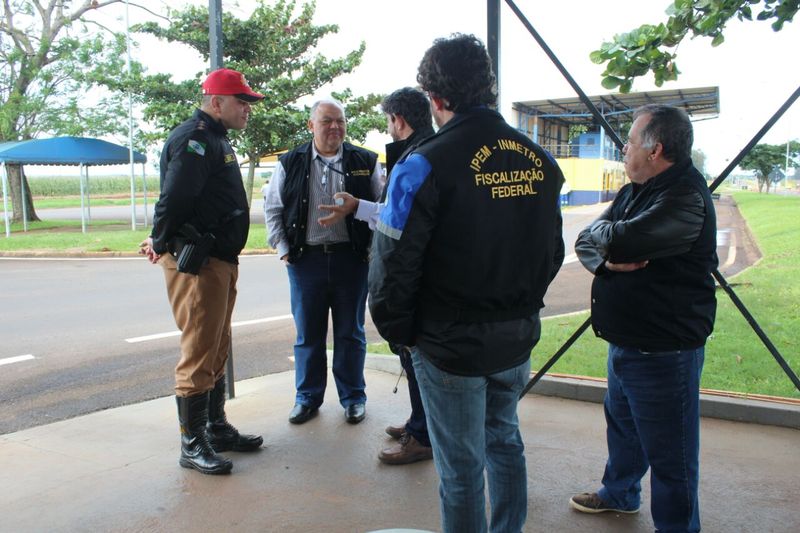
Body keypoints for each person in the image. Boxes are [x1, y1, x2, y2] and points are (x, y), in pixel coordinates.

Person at [369, 34, 565, 532]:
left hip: (449, 343)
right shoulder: (539, 160)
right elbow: (551, 253)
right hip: (515, 336)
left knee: (460, 469)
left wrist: (401, 333)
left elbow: (393, 261)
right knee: (505, 443)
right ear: (489, 86)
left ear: (435, 99)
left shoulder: (421, 163)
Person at [571, 104, 717, 532]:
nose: (624, 149)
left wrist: (605, 245)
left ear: (655, 150)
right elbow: (587, 240)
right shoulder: (639, 188)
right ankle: (620, 492)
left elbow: (625, 240)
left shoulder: (684, 197)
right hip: (628, 340)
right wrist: (603, 256)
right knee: (624, 429)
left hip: (663, 350)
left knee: (672, 456)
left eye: (630, 141)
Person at [139, 68, 265, 475]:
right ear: (216, 102)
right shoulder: (195, 138)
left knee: (216, 345)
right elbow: (174, 198)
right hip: (200, 263)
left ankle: (214, 426)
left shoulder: (215, 138)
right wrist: (159, 241)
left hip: (220, 260)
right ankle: (192, 444)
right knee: (198, 350)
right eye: (240, 101)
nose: (247, 109)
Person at [318, 87, 435, 465]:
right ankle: (420, 421)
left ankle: (422, 435)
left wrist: (359, 209)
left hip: (412, 280)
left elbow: (395, 222)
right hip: (424, 277)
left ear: (398, 121)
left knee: (414, 354)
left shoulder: (415, 159)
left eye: (388, 121)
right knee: (411, 357)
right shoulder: (431, 150)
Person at [264, 98, 382, 425]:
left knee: (351, 334)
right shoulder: (290, 162)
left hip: (351, 261)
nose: (335, 127)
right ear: (311, 126)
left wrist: (371, 249)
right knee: (308, 336)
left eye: (340, 121)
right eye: (327, 121)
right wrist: (284, 249)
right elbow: (273, 208)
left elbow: (382, 208)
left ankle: (353, 398)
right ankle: (307, 398)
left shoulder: (365, 161)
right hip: (306, 262)